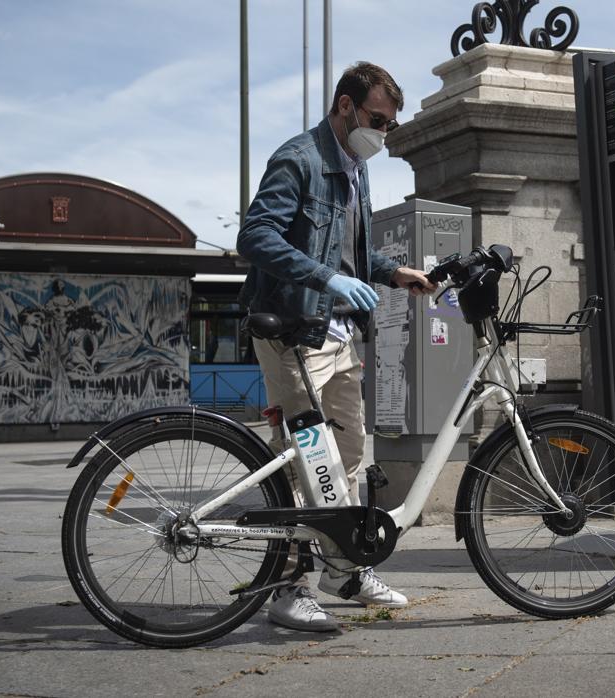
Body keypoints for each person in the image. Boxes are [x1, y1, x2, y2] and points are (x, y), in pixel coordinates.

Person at [237, 62, 435, 632]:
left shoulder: (356, 171)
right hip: (294, 332)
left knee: (349, 458)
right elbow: (255, 236)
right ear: (345, 106)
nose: (384, 133)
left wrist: (396, 273)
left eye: (391, 125)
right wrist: (325, 280)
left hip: (343, 335)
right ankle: (288, 588)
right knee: (307, 464)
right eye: (378, 120)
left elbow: (350, 256)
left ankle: (342, 570)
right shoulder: (299, 158)